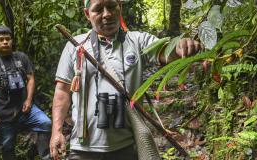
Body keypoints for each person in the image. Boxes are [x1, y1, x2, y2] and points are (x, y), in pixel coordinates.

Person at [50, 0, 203, 159]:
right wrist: (56, 131)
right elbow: (62, 92)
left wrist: (181, 46)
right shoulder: (75, 45)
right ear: (87, 14)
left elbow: (167, 51)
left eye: (111, 6)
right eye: (98, 9)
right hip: (82, 148)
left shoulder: (138, 40)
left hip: (126, 146)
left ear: (120, 7)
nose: (107, 14)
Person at [0, 25, 52, 160]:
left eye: (8, 39)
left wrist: (29, 100)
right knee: (7, 145)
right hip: (5, 113)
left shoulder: (21, 57)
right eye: (0, 39)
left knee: (45, 123)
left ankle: (45, 156)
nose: (5, 42)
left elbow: (30, 78)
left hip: (26, 109)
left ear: (12, 41)